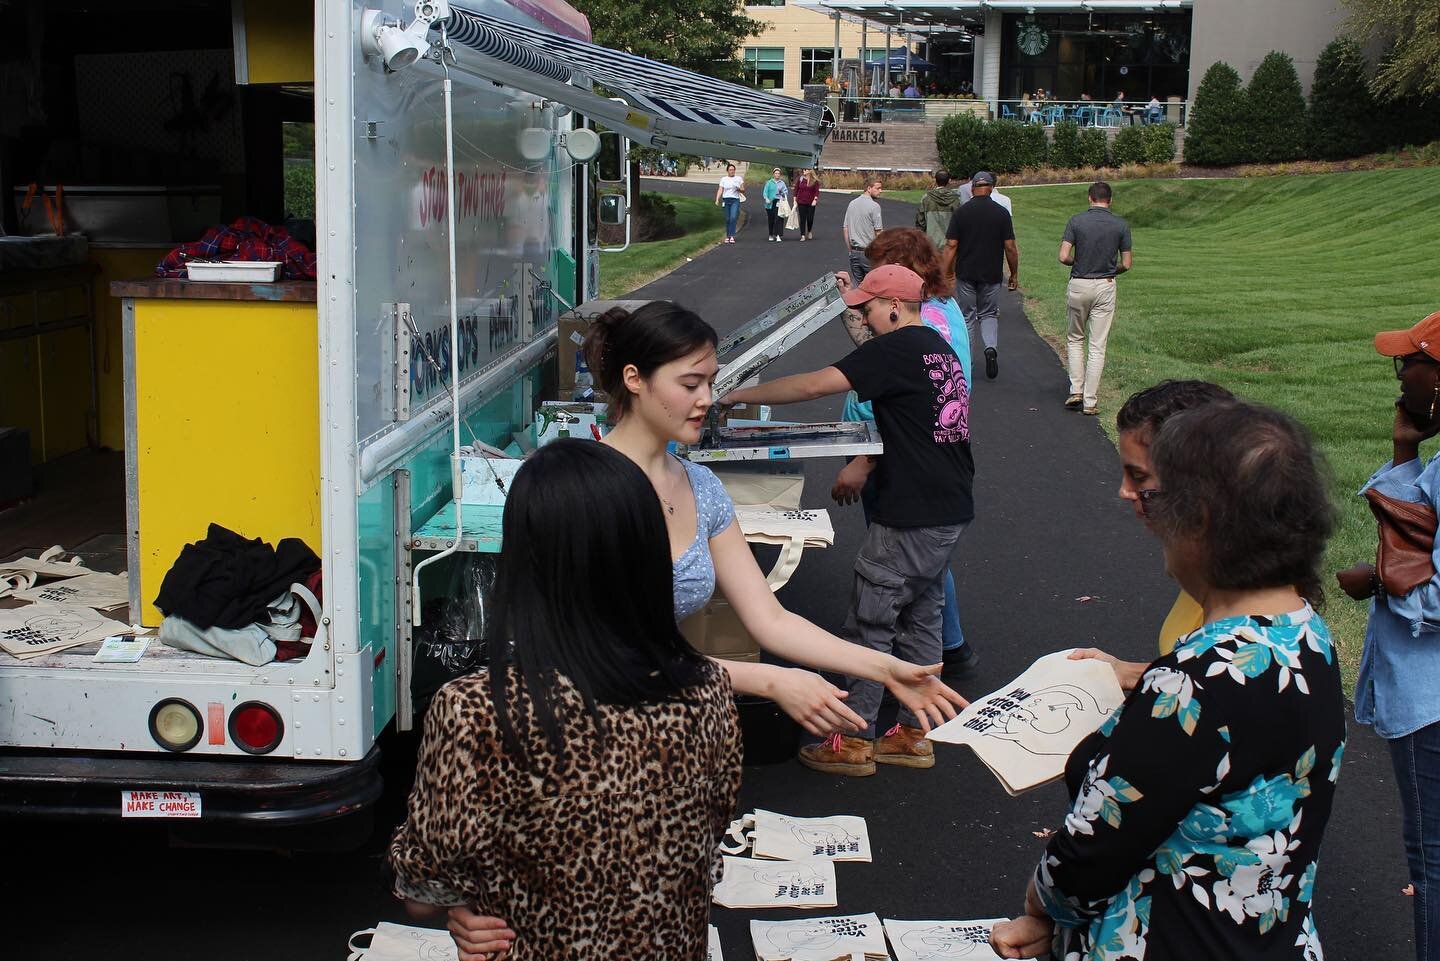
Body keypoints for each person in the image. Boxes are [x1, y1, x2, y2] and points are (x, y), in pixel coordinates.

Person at [990, 400, 1345, 961]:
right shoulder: (1307, 635)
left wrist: (1041, 907)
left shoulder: (1194, 681)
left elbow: (1092, 849)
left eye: (1160, 498)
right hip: (1269, 937)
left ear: (1199, 519)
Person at [388, 440, 743, 961]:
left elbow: (424, 886)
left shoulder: (476, 711)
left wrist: (457, 912)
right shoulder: (706, 689)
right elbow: (706, 840)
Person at [722, 266, 976, 776]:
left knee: (870, 621)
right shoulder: (935, 346)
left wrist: (732, 393)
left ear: (893, 307)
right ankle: (912, 732)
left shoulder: (895, 349)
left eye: (865, 309)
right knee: (921, 616)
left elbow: (815, 384)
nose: (861, 317)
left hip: (908, 514)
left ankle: (853, 737)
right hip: (947, 508)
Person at [1336, 309, 1440, 961]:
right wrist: (1405, 450)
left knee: (1431, 863)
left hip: (1432, 702)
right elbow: (1411, 540)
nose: (1401, 377)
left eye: (1411, 363)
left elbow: (1428, 593)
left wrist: (1384, 581)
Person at [835, 228, 979, 678]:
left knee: (900, 561)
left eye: (880, 269)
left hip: (894, 452)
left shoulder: (929, 325)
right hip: (897, 447)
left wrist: (866, 457)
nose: (873, 275)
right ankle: (941, 647)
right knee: (924, 562)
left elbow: (909, 396)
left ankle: (906, 656)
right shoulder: (937, 309)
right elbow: (883, 356)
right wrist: (857, 307)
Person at [1069, 380, 1236, 690]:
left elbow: (1220, 680)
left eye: (1140, 476)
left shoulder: (1242, 604)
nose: (1124, 491)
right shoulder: (1212, 564)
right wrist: (1127, 672)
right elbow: (1202, 673)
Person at [1059, 181, 1132, 415]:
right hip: (1105, 284)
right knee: (1098, 345)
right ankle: (1090, 401)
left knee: (1075, 338)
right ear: (1110, 200)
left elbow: (1063, 256)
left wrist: (1077, 262)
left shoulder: (1076, 221)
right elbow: (1127, 264)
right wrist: (1112, 270)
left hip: (1080, 282)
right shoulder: (1121, 225)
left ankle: (1076, 390)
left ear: (1090, 198)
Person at [941, 171, 1018, 381]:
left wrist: (945, 272)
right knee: (989, 314)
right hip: (991, 273)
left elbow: (951, 245)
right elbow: (1010, 247)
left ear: (973, 188)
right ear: (991, 188)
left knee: (967, 317)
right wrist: (1013, 274)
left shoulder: (962, 212)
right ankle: (990, 348)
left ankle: (966, 363)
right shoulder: (1001, 213)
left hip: (966, 272)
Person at [843, 178, 884, 284]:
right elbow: (878, 232)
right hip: (869, 253)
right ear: (869, 188)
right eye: (878, 188)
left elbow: (845, 229)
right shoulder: (875, 207)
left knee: (858, 285)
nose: (880, 191)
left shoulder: (851, 204)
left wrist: (850, 250)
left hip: (854, 252)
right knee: (875, 284)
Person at [914, 169, 962, 251]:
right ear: (949, 181)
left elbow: (920, 222)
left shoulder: (926, 198)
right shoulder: (957, 199)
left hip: (931, 245)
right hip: (950, 246)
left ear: (935, 180)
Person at [714, 163, 745, 245]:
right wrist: (717, 199)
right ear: (727, 171)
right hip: (726, 200)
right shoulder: (724, 179)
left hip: (735, 199)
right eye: (730, 170)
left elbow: (743, 189)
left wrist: (738, 189)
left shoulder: (739, 178)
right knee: (727, 219)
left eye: (733, 170)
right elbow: (720, 189)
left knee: (733, 217)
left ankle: (732, 236)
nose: (732, 171)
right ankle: (728, 236)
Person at [763, 167, 790, 243]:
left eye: (778, 173)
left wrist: (783, 193)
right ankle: (771, 234)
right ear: (773, 174)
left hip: (779, 202)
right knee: (771, 219)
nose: (777, 175)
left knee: (778, 218)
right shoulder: (769, 182)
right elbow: (765, 192)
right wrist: (766, 198)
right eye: (776, 173)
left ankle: (778, 235)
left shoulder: (782, 183)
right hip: (770, 203)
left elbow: (786, 191)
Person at [794, 169, 820, 242]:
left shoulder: (814, 181)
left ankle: (809, 230)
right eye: (803, 170)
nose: (804, 171)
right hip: (801, 202)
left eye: (806, 170)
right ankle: (802, 235)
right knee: (802, 219)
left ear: (810, 171)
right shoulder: (800, 179)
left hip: (811, 202)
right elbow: (796, 189)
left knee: (810, 218)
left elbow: (816, 191)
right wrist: (794, 200)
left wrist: (815, 199)